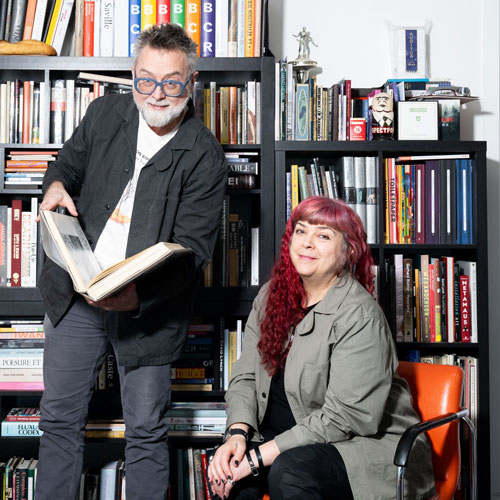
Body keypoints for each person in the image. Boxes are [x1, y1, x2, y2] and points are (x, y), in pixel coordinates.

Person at [35, 23, 227, 500]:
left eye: (171, 82)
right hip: (76, 298)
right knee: (59, 420)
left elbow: (192, 254)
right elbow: (65, 166)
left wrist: (137, 295)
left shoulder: (206, 156)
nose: (157, 94)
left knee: (146, 431)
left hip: (147, 313)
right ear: (133, 76)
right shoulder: (105, 113)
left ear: (192, 81)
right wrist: (54, 186)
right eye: (146, 79)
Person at [207, 196, 435, 500]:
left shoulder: (360, 315)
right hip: (283, 440)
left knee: (289, 472)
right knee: (234, 483)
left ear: (348, 251)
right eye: (301, 231)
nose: (307, 243)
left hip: (359, 445)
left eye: (323, 236)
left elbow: (344, 418)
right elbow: (246, 376)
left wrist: (257, 458)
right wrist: (236, 436)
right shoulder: (269, 297)